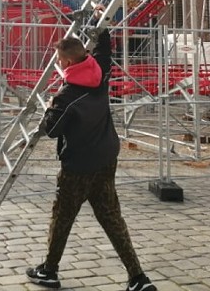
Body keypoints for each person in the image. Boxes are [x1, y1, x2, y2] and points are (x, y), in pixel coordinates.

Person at [26, 28, 157, 291]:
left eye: (59, 60)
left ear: (68, 63)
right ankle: (138, 277)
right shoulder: (100, 74)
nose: (58, 64)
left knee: (62, 217)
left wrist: (50, 105)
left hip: (78, 166)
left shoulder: (68, 96)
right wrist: (102, 26)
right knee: (111, 217)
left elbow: (51, 130)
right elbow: (104, 52)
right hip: (106, 158)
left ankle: (49, 271)